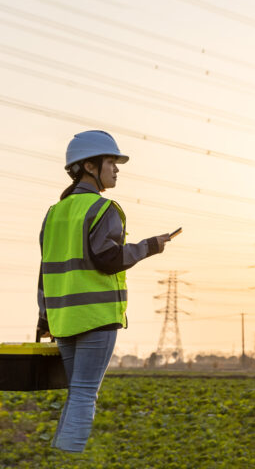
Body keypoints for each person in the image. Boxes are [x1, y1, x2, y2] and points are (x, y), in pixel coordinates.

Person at [36, 130, 172, 453]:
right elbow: (109, 259)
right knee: (85, 393)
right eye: (111, 162)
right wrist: (150, 246)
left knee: (76, 392)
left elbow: (45, 272)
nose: (116, 169)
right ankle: (72, 455)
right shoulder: (102, 209)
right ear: (89, 166)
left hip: (63, 321)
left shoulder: (54, 214)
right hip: (96, 318)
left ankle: (62, 455)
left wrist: (44, 319)